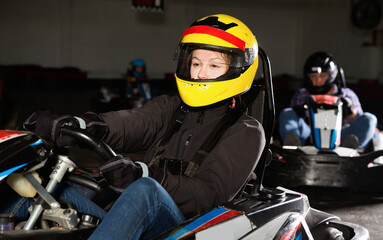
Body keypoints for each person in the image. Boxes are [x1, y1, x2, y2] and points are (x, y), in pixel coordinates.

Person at [2, 14, 265, 239]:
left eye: (214, 65)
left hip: (186, 229)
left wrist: (144, 175)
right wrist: (79, 124)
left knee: (146, 189)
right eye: (196, 63)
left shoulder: (246, 131)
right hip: (133, 215)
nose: (200, 74)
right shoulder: (172, 108)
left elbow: (208, 195)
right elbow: (129, 123)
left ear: (239, 70)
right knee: (33, 180)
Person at [279, 51, 377, 150]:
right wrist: (300, 111)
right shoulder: (302, 94)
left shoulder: (346, 94)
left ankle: (349, 150)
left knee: (370, 119)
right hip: (309, 136)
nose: (318, 81)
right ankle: (294, 149)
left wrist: (350, 111)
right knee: (287, 113)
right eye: (313, 76)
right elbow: (291, 120)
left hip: (340, 137)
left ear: (331, 75)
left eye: (322, 76)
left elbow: (361, 121)